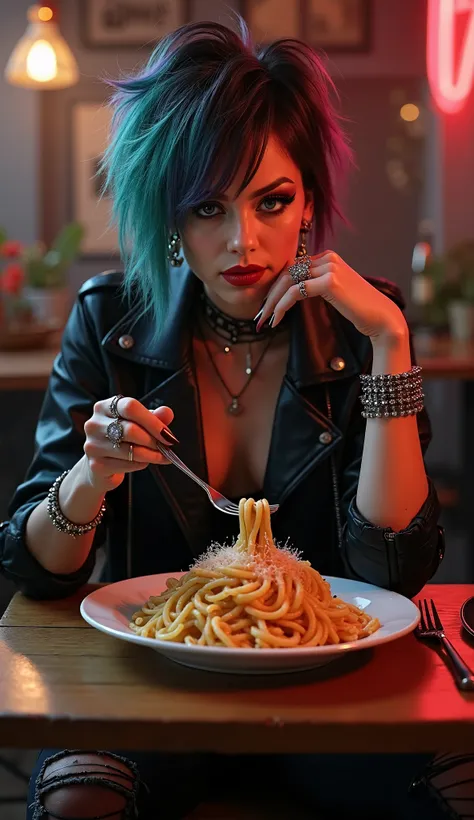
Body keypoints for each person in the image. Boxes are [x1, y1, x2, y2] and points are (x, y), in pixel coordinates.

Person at [0, 14, 461, 820]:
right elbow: (35, 569)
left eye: (271, 200)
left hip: (334, 694)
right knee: (77, 803)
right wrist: (90, 476)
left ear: (308, 199)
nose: (243, 239)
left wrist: (390, 340)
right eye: (208, 209)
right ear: (172, 222)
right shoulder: (108, 318)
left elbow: (393, 571)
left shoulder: (369, 325)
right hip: (153, 695)